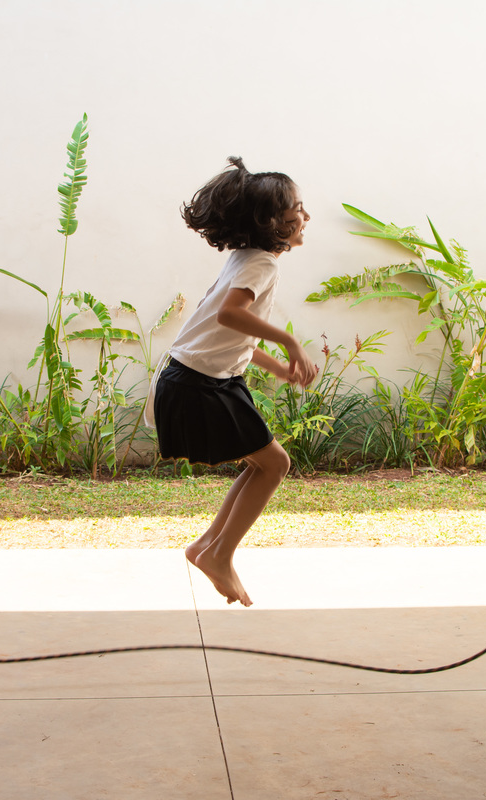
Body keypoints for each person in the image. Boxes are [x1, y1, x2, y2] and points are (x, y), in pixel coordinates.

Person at [154, 157, 319, 607]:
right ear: (273, 222)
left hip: (199, 378)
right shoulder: (261, 264)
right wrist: (290, 342)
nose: (306, 215)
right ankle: (218, 553)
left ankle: (208, 547)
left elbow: (224, 330)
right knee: (275, 464)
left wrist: (275, 366)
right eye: (297, 209)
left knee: (265, 464)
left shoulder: (245, 259)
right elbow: (230, 314)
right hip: (198, 384)